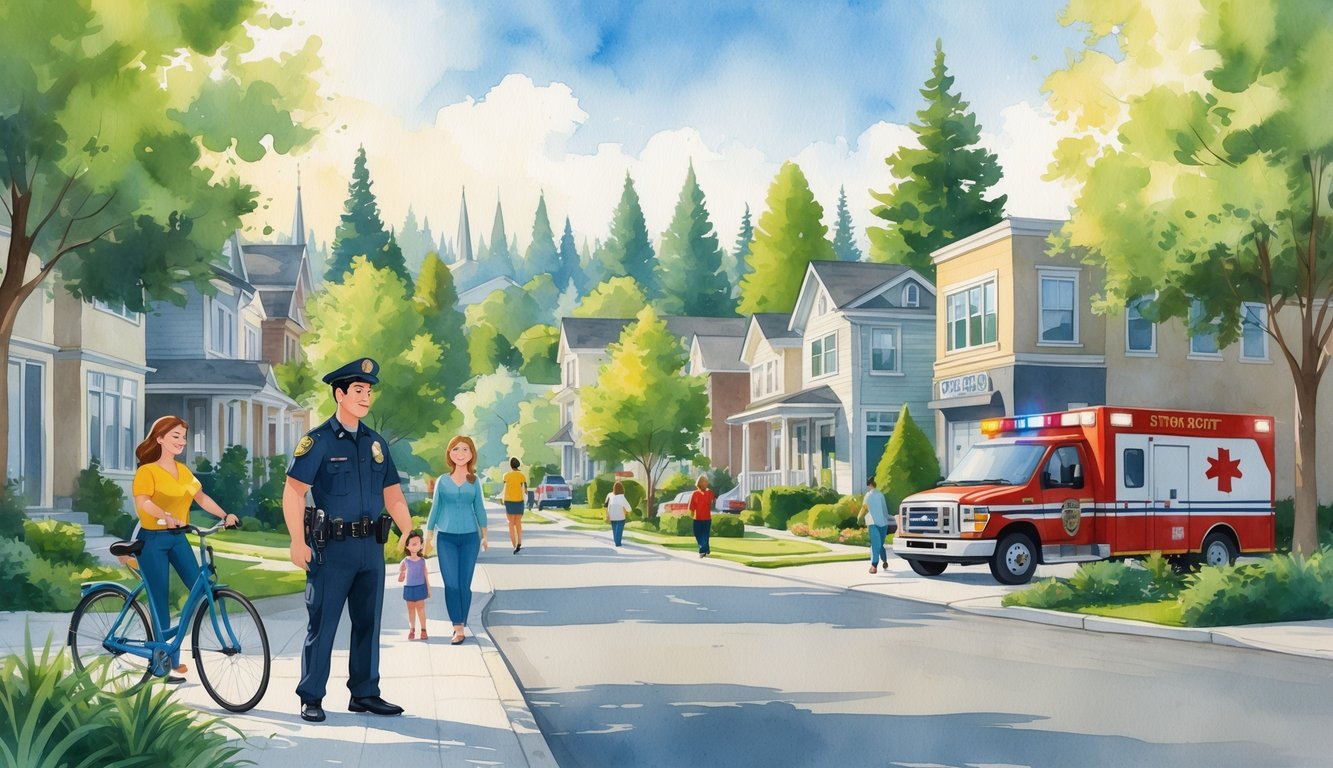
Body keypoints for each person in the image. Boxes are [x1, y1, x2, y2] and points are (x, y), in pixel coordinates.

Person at [283, 357, 415, 724]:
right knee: (323, 623)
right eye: (358, 390)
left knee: (369, 623)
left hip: (371, 549)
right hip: (332, 549)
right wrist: (297, 541)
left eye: (369, 391)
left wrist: (408, 530)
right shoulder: (318, 441)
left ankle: (365, 693)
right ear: (339, 394)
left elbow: (394, 494)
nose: (365, 397)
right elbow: (294, 492)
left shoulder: (376, 443)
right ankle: (311, 696)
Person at [131, 416, 239, 682]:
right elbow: (143, 502)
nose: (181, 441)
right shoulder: (147, 471)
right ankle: (162, 664)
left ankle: (173, 648)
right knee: (160, 601)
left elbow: (200, 498)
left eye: (183, 437)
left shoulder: (184, 471)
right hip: (153, 540)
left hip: (179, 538)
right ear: (159, 439)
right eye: (175, 436)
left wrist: (225, 516)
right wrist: (164, 515)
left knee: (199, 588)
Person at [424, 435, 489, 645]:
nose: (460, 454)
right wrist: (429, 535)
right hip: (446, 539)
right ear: (450, 454)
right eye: (456, 449)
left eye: (465, 450)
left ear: (471, 454)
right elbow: (436, 508)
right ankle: (457, 626)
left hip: (470, 538)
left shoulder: (474, 481)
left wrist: (485, 535)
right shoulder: (443, 481)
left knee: (464, 584)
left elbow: (479, 507)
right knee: (451, 584)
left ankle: (462, 621)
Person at [397, 531, 430, 640]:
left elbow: (426, 575)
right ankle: (412, 629)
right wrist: (401, 575)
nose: (417, 546)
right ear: (408, 546)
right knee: (410, 609)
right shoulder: (406, 560)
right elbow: (401, 572)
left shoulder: (422, 561)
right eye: (413, 544)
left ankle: (424, 629)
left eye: (419, 543)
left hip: (420, 587)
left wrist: (428, 589)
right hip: (409, 588)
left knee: (421, 608)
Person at [858, 477, 891, 574]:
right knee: (878, 544)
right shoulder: (880, 495)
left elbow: (864, 508)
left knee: (877, 544)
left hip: (873, 522)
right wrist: (887, 519)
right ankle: (875, 564)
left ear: (869, 485)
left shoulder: (868, 496)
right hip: (882, 522)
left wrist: (859, 518)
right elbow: (884, 509)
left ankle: (881, 562)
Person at [501, 457, 527, 554]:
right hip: (519, 501)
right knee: (518, 522)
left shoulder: (506, 476)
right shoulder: (522, 476)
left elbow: (504, 488)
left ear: (511, 465)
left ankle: (514, 545)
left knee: (511, 523)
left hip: (509, 501)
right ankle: (519, 542)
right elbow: (525, 490)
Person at [689, 475, 715, 558]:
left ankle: (702, 550)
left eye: (707, 481)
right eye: (705, 481)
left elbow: (712, 502)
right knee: (698, 534)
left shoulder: (709, 492)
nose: (707, 483)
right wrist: (691, 514)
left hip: (707, 518)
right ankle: (706, 549)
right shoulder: (695, 494)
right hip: (697, 518)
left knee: (705, 535)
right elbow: (691, 506)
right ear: (700, 483)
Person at [604, 481, 631, 547]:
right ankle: (618, 542)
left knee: (614, 528)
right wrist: (627, 511)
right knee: (619, 529)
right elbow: (629, 508)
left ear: (613, 488)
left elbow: (605, 504)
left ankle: (616, 540)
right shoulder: (622, 497)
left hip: (612, 516)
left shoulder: (610, 495)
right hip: (620, 517)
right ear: (622, 489)